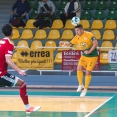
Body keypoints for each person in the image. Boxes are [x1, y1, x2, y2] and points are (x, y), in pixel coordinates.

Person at [0, 23, 41, 113]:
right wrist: (19, 71)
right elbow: (8, 60)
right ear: (12, 32)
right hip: (1, 74)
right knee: (22, 84)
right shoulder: (9, 44)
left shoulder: (0, 42)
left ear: (3, 33)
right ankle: (28, 108)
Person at [59, 24, 98, 97]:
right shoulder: (76, 37)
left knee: (88, 72)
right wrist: (63, 43)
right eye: (75, 31)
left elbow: (95, 43)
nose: (76, 32)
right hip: (84, 56)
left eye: (78, 30)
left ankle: (85, 89)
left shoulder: (89, 34)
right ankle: (81, 85)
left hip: (92, 56)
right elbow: (70, 44)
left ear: (82, 29)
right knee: (79, 68)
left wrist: (89, 51)